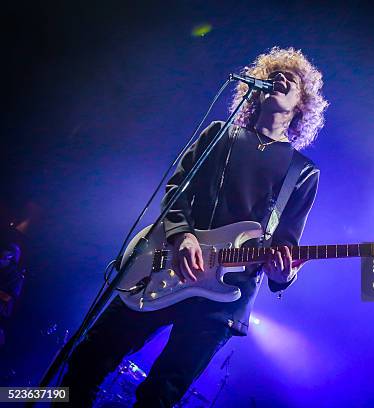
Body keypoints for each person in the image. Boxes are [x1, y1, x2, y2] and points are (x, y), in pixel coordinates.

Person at [59, 46, 328, 407]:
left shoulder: (303, 170)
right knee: (87, 359)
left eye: (291, 81)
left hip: (223, 295)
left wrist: (284, 274)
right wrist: (182, 235)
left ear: (301, 105)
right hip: (164, 265)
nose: (279, 80)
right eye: (274, 75)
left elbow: (286, 246)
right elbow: (177, 188)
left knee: (160, 394)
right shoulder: (220, 135)